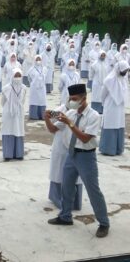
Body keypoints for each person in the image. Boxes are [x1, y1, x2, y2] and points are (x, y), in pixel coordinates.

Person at [46, 84, 110, 238]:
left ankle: (104, 223)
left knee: (93, 190)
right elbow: (53, 129)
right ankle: (65, 216)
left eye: (74, 99)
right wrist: (47, 119)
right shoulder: (71, 113)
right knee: (66, 186)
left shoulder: (94, 116)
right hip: (71, 154)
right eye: (70, 98)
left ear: (83, 98)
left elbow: (85, 138)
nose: (71, 101)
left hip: (86, 156)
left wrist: (70, 123)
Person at [45, 105, 83, 210]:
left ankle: (69, 202)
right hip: (63, 146)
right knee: (60, 171)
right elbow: (53, 126)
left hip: (76, 147)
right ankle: (64, 201)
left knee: (71, 173)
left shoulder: (88, 114)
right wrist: (47, 117)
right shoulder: (64, 110)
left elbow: (52, 128)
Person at [99, 61, 129, 156]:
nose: (125, 72)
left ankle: (118, 149)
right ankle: (108, 149)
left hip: (120, 107)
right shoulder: (109, 79)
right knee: (110, 124)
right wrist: (104, 103)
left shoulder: (123, 79)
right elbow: (103, 94)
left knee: (119, 125)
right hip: (111, 105)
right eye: (124, 70)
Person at [1, 68, 26, 161]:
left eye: (19, 76)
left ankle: (18, 154)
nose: (18, 78)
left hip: (19, 113)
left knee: (18, 130)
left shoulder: (24, 88)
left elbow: (23, 101)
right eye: (16, 75)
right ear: (12, 76)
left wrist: (18, 107)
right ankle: (8, 154)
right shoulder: (6, 88)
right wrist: (10, 108)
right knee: (8, 130)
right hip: (8, 113)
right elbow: (2, 102)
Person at [27, 55, 47, 120]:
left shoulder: (44, 68)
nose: (38, 61)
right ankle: (34, 115)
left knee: (42, 101)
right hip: (34, 88)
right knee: (34, 100)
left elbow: (45, 77)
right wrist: (33, 83)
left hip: (42, 88)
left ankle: (42, 115)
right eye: (37, 59)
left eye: (39, 59)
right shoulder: (31, 69)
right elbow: (29, 78)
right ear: (35, 60)